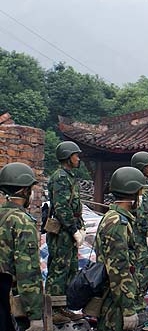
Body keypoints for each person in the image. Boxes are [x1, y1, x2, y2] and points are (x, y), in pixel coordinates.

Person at [95, 167, 146, 331]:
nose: (141, 197)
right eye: (140, 193)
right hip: (114, 302)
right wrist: (128, 309)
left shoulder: (115, 218)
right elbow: (119, 268)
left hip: (114, 297)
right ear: (131, 193)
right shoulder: (117, 223)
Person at [0, 162, 44, 331]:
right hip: (8, 299)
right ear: (25, 191)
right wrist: (35, 316)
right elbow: (28, 271)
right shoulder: (23, 222)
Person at [46, 141, 85, 324]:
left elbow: (75, 206)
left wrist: (80, 226)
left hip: (69, 229)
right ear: (68, 157)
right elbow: (62, 208)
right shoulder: (60, 177)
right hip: (62, 231)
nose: (78, 158)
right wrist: (73, 229)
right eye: (76, 155)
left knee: (70, 269)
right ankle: (53, 309)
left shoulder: (69, 177)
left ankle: (64, 306)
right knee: (59, 269)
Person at [130, 151, 148, 312]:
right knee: (142, 270)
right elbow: (142, 212)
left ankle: (137, 302)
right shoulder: (143, 186)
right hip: (140, 236)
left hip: (138, 234)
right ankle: (137, 304)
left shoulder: (139, 183)